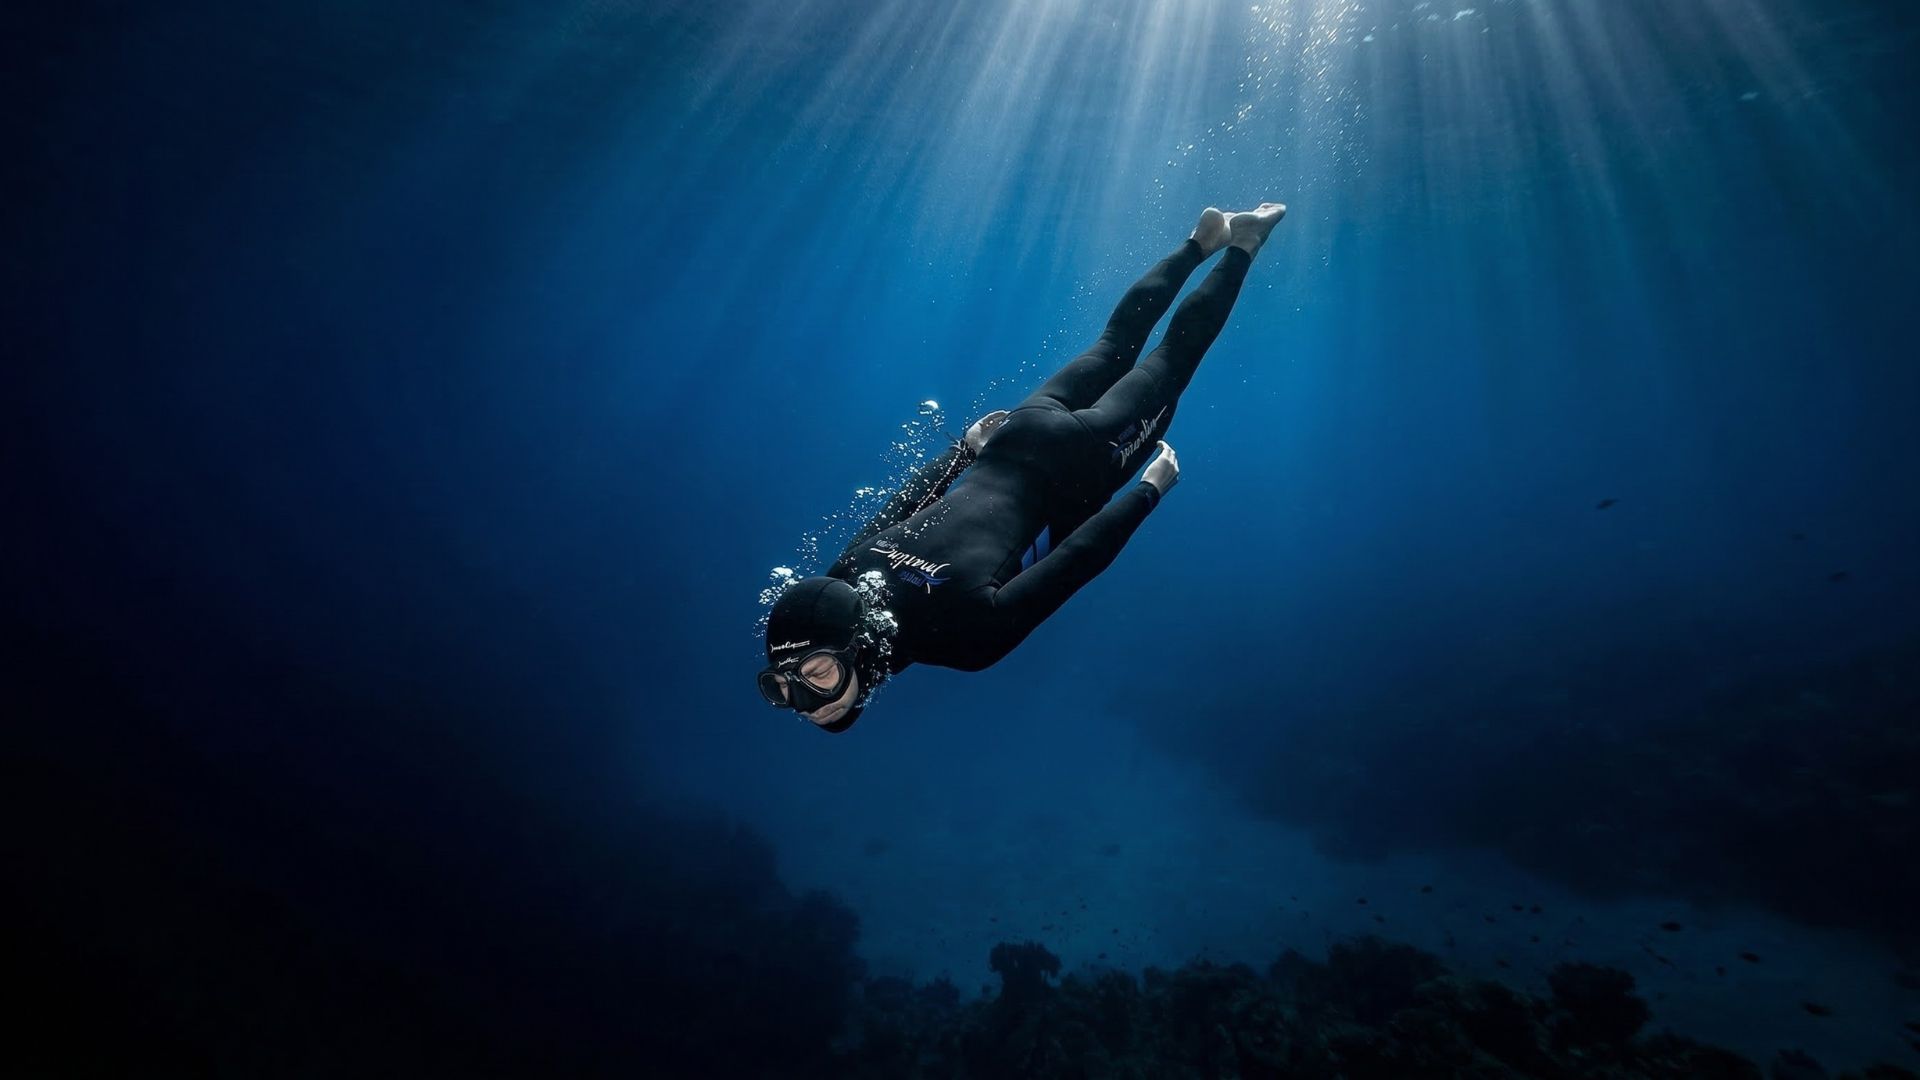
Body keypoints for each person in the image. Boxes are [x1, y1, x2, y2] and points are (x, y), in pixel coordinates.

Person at [758, 203, 1286, 732]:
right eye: (783, 688)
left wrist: (1146, 494)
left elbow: (1074, 563)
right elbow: (905, 502)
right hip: (1014, 435)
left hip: (1086, 462)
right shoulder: (846, 573)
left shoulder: (966, 640)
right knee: (1112, 344)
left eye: (816, 673)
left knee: (1172, 357)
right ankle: (1200, 241)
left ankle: (1245, 241)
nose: (807, 701)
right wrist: (963, 452)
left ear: (853, 644)